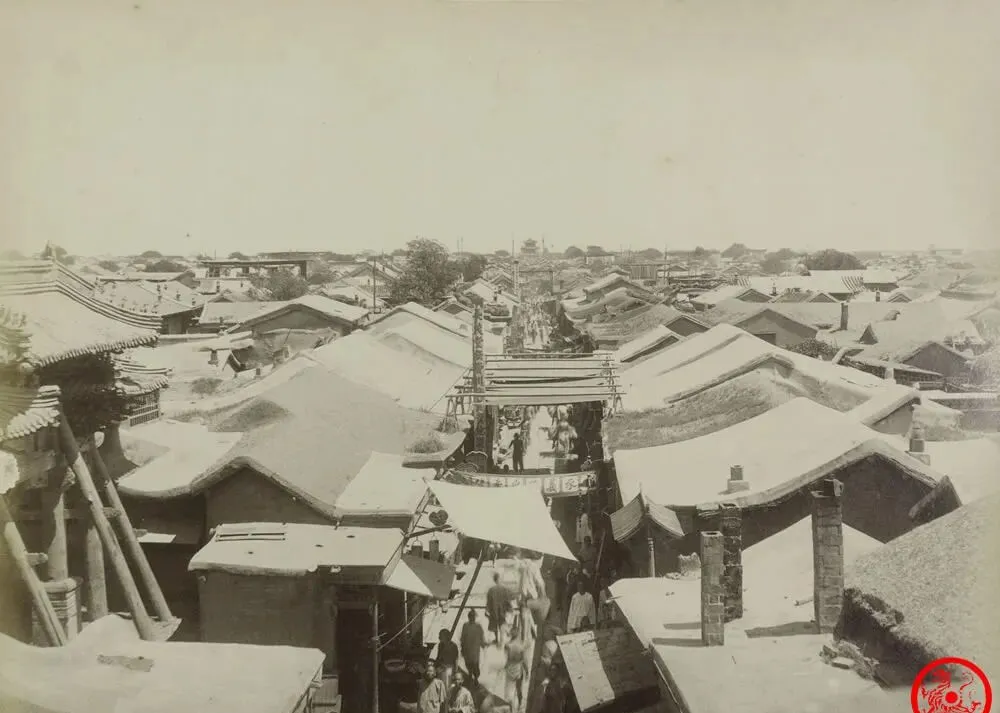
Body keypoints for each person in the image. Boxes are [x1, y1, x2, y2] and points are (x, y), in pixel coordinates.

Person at [503, 626, 529, 713]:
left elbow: (507, 659)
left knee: (509, 692)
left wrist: (505, 666)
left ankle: (510, 709)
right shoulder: (521, 646)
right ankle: (520, 704)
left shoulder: (507, 645)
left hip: (510, 670)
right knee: (519, 689)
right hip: (518, 670)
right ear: (518, 635)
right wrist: (527, 671)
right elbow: (524, 661)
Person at [459, 610, 485, 683]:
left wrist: (483, 644)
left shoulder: (478, 626)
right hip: (467, 648)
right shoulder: (465, 625)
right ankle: (470, 674)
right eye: (470, 616)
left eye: (473, 616)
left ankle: (476, 678)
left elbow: (481, 636)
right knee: (468, 663)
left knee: (475, 664)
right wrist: (462, 648)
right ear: (468, 617)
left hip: (475, 649)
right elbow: (463, 637)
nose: (472, 618)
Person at [485, 572, 509, 648]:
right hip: (502, 610)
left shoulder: (491, 590)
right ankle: (502, 641)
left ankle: (496, 639)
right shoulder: (504, 589)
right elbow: (507, 600)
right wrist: (509, 609)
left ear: (494, 580)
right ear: (499, 579)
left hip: (494, 610)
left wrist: (487, 610)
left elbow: (488, 601)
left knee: (495, 625)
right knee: (502, 624)